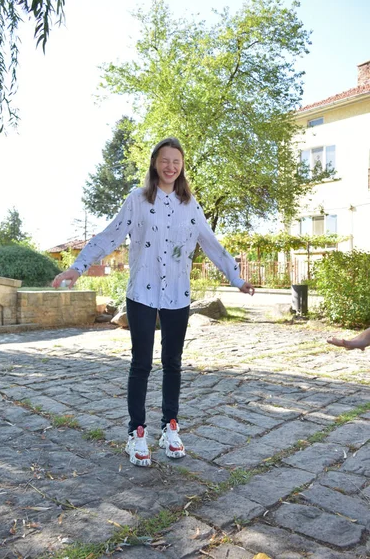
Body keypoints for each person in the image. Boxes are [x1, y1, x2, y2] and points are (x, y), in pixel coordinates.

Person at [52, 137, 255, 467]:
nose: (170, 166)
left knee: (173, 362)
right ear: (154, 163)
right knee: (142, 363)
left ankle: (170, 427)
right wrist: (78, 267)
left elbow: (212, 244)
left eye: (176, 161)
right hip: (142, 295)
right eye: (165, 160)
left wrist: (236, 277)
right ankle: (137, 433)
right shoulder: (137, 200)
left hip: (177, 295)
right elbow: (109, 235)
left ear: (182, 165)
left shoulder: (191, 206)